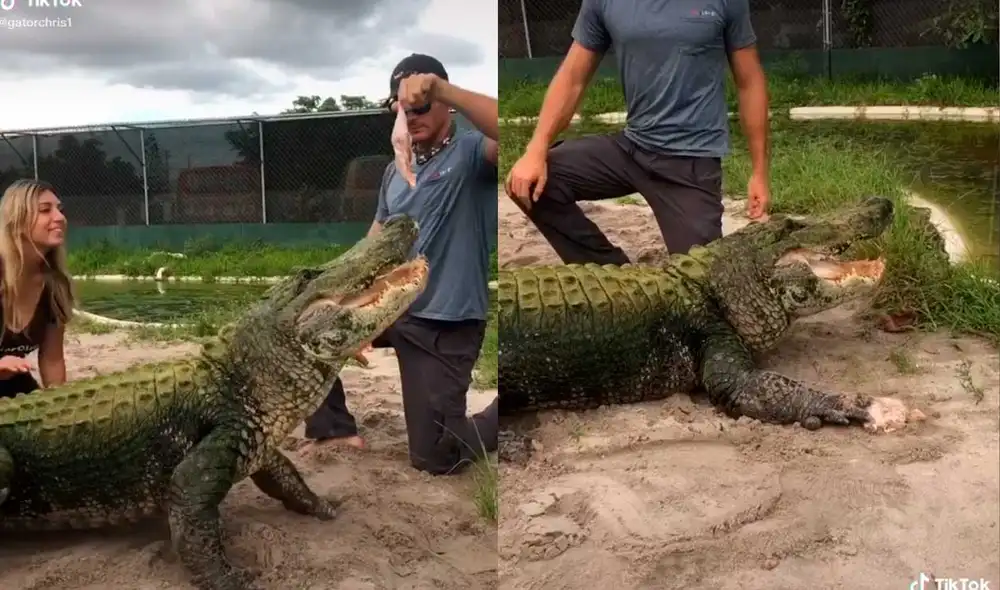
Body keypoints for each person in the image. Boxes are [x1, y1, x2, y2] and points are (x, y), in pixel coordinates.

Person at [302, 53, 500, 476]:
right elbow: (372, 246)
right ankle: (334, 429)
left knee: (435, 458)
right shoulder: (396, 170)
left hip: (445, 324)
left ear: (445, 102)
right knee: (306, 326)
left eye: (422, 106)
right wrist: (342, 305)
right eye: (402, 110)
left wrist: (442, 89)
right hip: (394, 310)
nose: (411, 118)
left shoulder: (471, 154)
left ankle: (506, 410)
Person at [504, 0, 771, 264]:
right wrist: (536, 149)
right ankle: (610, 274)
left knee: (701, 281)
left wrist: (759, 173)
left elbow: (749, 81)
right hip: (633, 148)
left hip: (691, 165)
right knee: (528, 183)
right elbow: (572, 78)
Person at [0, 178, 73, 399]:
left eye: (59, 210)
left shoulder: (55, 286)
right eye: (45, 210)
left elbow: (52, 359)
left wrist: (60, 403)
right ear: (17, 221)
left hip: (14, 389)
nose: (59, 217)